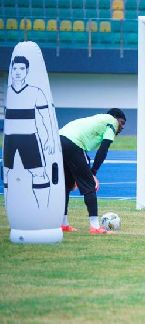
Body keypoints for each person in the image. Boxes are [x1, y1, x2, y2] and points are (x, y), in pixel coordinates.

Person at [59, 108, 126, 234]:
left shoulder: (96, 119)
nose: (121, 127)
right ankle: (95, 227)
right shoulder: (111, 122)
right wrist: (93, 172)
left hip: (59, 140)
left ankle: (63, 224)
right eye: (122, 122)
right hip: (74, 143)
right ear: (115, 117)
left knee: (66, 186)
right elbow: (103, 149)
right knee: (90, 185)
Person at [3, 55, 56, 208]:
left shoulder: (35, 92)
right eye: (15, 68)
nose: (18, 71)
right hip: (9, 139)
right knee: (6, 174)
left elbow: (46, 117)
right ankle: (11, 208)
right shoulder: (8, 93)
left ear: (27, 71)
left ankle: (44, 209)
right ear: (11, 70)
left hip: (29, 139)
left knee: (39, 173)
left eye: (22, 68)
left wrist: (51, 139)